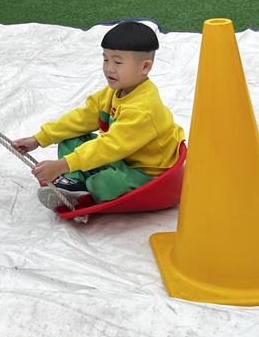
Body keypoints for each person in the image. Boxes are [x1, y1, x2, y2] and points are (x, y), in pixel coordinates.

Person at [11, 21, 185, 210]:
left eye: (118, 62)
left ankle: (84, 192)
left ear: (145, 67)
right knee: (69, 139)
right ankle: (74, 185)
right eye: (105, 59)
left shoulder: (143, 109)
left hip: (145, 173)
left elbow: (110, 146)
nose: (109, 68)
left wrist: (63, 165)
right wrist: (38, 139)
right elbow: (81, 118)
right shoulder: (115, 91)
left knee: (104, 182)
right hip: (121, 159)